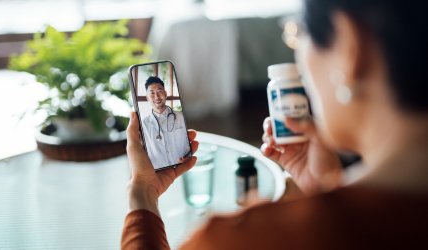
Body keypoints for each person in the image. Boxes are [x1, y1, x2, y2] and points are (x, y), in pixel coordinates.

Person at [122, 0, 428, 249]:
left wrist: (143, 193)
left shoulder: (241, 240)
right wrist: (326, 188)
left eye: (298, 32)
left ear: (350, 48)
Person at [141, 76, 191, 170]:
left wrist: (187, 158)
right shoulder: (143, 125)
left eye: (160, 91)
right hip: (158, 174)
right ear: (147, 98)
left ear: (165, 93)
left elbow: (190, 145)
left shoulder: (182, 117)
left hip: (183, 169)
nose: (157, 97)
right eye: (152, 93)